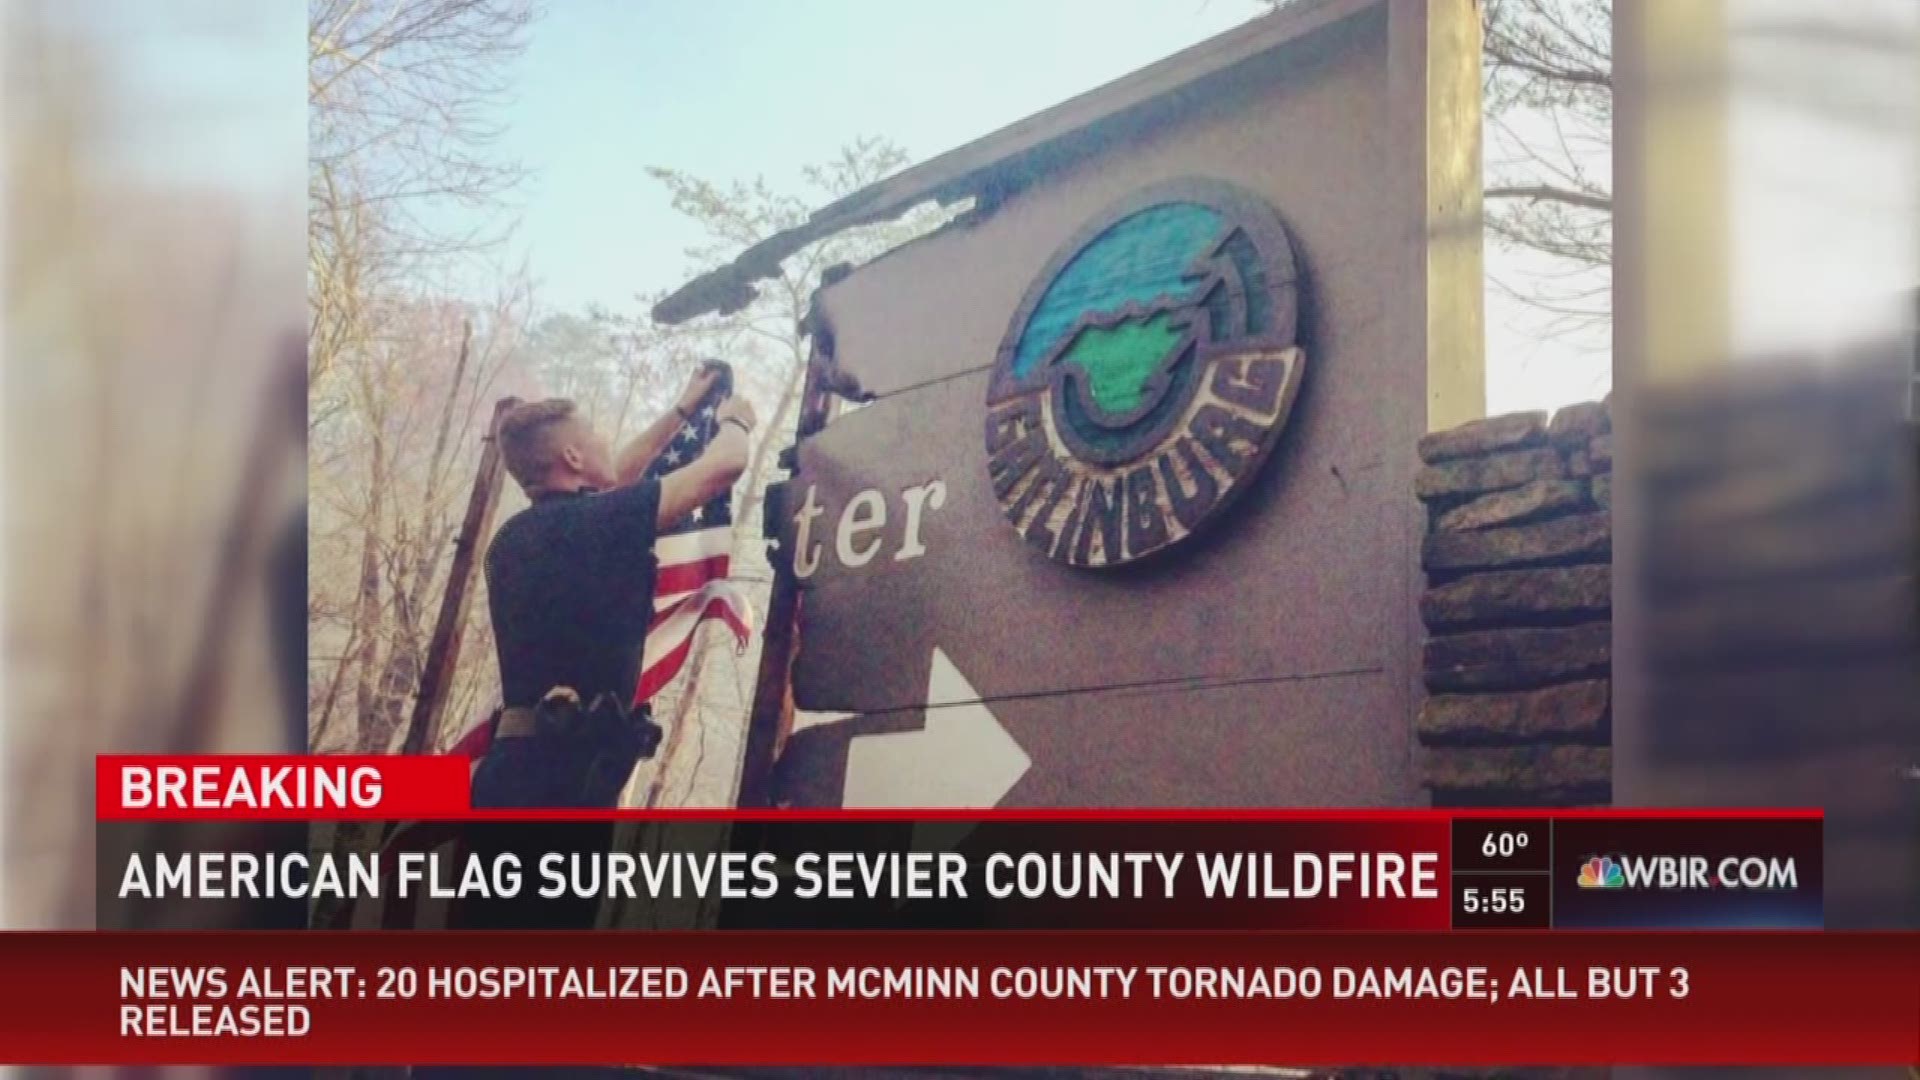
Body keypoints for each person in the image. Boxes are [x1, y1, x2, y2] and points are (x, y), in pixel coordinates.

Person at [473, 362, 756, 809]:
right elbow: (726, 465)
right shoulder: (596, 524)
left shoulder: (517, 537)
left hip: (517, 772)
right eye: (595, 438)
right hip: (559, 785)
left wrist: (682, 409)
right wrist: (736, 420)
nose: (608, 445)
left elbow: (614, 484)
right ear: (572, 458)